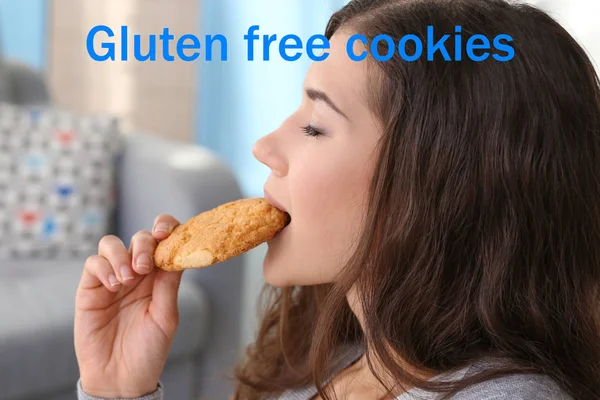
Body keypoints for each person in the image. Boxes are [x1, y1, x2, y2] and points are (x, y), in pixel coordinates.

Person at [74, 0, 600, 399]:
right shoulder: (339, 354)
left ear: (441, 182)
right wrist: (118, 388)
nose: (264, 147)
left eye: (315, 126)